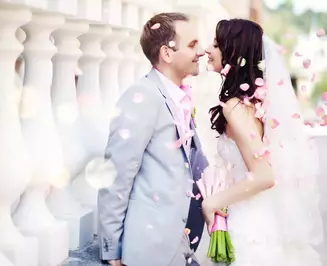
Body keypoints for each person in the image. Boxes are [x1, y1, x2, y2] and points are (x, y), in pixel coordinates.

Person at [202, 18, 323, 265]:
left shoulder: (235, 107)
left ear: (232, 52)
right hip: (260, 215)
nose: (207, 49)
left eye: (215, 44)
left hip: (247, 223)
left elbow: (264, 175)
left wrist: (213, 201)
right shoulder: (253, 104)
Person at [97, 12, 210, 266]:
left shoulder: (178, 97)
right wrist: (112, 250)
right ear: (167, 53)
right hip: (147, 252)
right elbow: (116, 174)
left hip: (177, 245)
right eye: (192, 44)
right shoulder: (143, 96)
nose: (201, 51)